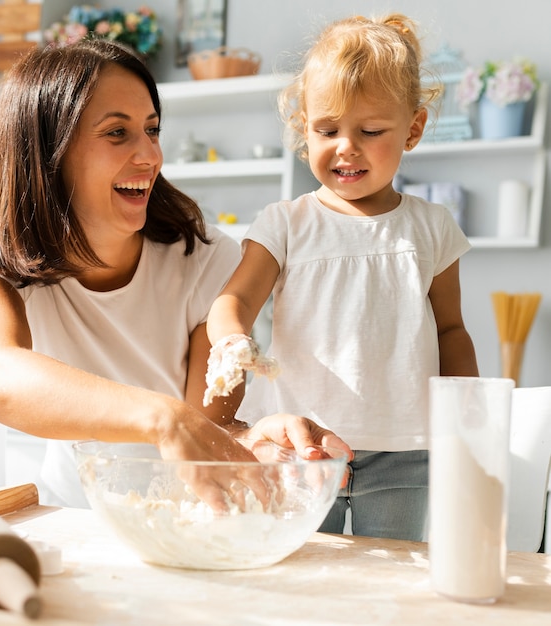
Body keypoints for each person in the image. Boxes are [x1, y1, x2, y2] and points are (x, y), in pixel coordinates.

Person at [0, 38, 350, 508]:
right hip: (73, 517)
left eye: (152, 129)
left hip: (181, 515)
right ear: (48, 153)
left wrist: (254, 441)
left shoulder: (204, 261)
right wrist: (163, 417)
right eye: (117, 133)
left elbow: (210, 429)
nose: (150, 156)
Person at [205, 14, 479, 540]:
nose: (345, 147)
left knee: (392, 581)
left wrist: (465, 411)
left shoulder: (432, 226)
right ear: (303, 128)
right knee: (302, 575)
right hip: (300, 446)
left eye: (370, 131)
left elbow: (450, 330)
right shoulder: (285, 223)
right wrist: (232, 339)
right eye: (326, 130)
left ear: (413, 129)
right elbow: (232, 300)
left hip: (405, 452)